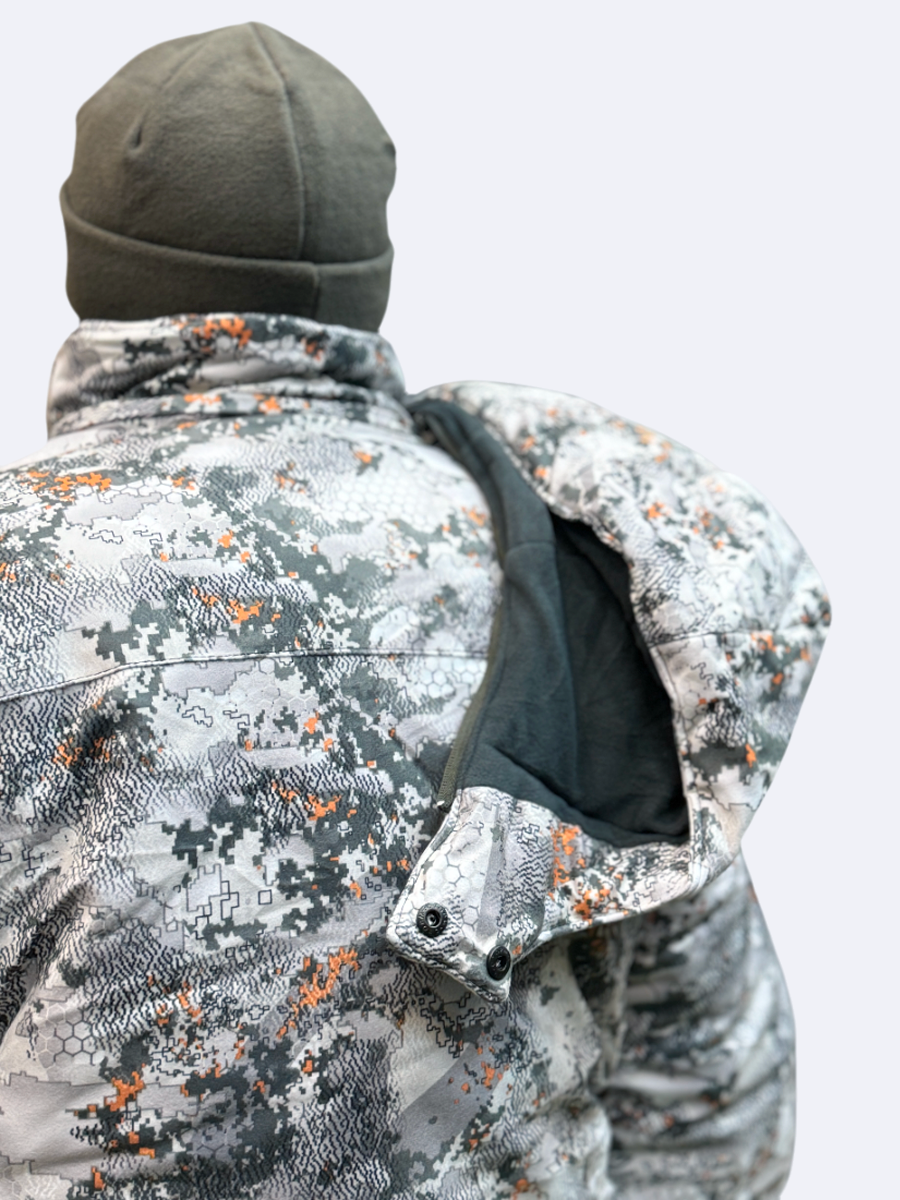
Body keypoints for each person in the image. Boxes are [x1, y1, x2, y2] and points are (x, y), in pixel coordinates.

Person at [0, 23, 829, 1199]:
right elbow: (713, 1108)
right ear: (366, 276)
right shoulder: (577, 574)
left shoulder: (22, 574)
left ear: (90, 263)